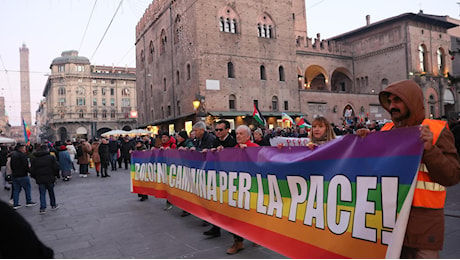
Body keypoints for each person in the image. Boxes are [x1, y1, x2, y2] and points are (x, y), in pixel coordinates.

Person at [357, 79, 460, 258]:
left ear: (411, 101)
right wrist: (363, 143)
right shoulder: (386, 131)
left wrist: (430, 149)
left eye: (398, 100)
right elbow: (369, 170)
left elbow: (451, 176)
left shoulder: (436, 131)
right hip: (387, 226)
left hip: (423, 228)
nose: (392, 105)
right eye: (390, 101)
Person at [224, 124, 260, 255]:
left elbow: (260, 165)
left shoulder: (255, 148)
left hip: (251, 187)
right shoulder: (234, 149)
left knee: (251, 214)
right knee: (235, 214)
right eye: (237, 134)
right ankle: (238, 241)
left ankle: (255, 235)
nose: (238, 136)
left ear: (248, 136)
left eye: (241, 134)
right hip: (236, 187)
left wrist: (248, 153)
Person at [202, 120, 237, 236]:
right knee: (216, 202)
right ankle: (216, 228)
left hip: (230, 177)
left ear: (227, 130)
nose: (218, 132)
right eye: (216, 130)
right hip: (217, 175)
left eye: (220, 130)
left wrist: (225, 152)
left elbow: (236, 156)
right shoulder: (215, 140)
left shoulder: (232, 142)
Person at [30, 143, 60, 214]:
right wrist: (55, 175)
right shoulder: (51, 157)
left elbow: (32, 170)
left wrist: (36, 177)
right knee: (51, 192)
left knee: (42, 193)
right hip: (50, 177)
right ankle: (53, 205)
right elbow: (56, 167)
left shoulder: (35, 159)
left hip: (40, 179)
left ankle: (42, 208)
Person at [10, 143, 37, 209]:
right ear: (21, 148)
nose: (25, 149)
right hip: (23, 175)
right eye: (24, 148)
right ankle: (28, 201)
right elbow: (25, 166)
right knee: (27, 188)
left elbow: (11, 165)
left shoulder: (13, 155)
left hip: (15, 175)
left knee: (16, 190)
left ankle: (16, 204)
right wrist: (30, 172)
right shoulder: (23, 155)